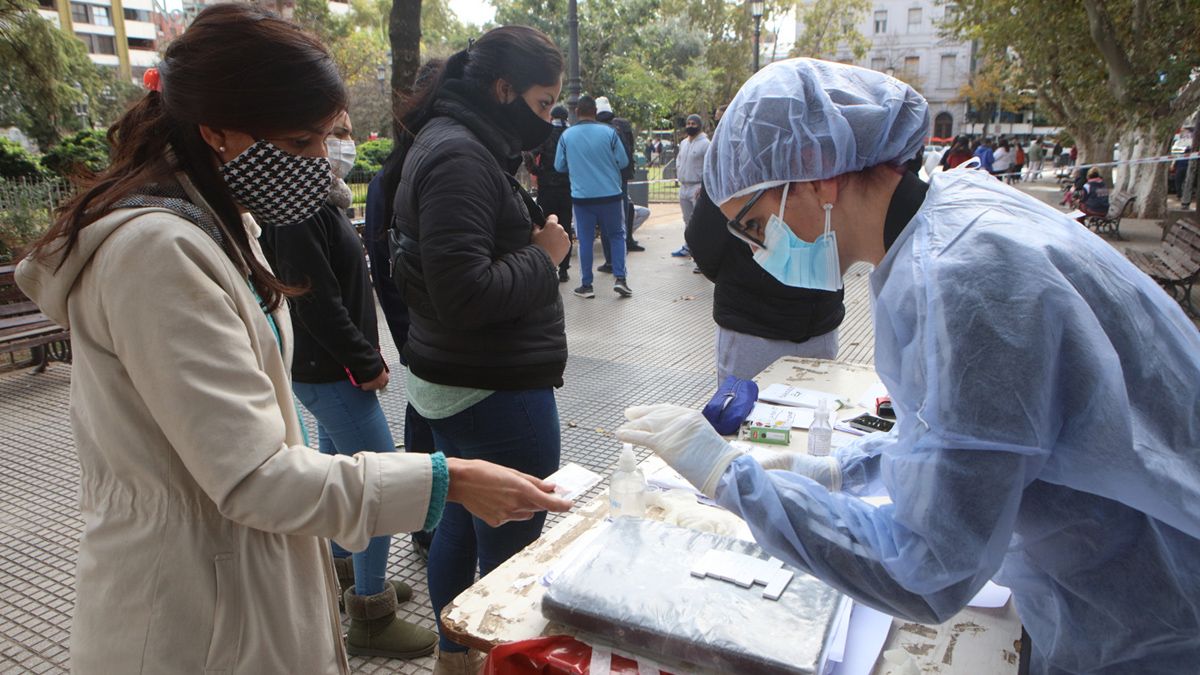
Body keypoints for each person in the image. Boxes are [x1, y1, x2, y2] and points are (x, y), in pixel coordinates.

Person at [13, 7, 571, 673]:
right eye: (302, 142)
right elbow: (256, 477)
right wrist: (448, 479)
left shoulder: (216, 219)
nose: (319, 161)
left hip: (239, 577)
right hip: (190, 613)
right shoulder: (155, 253)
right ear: (216, 131)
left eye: (325, 139)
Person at [617, 57, 1200, 675]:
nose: (761, 253)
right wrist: (841, 470)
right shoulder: (949, 218)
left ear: (817, 177)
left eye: (757, 225)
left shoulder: (966, 279)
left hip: (1150, 617)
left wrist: (729, 476)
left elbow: (926, 569)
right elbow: (964, 435)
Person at [387, 26, 572, 674]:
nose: (548, 119)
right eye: (544, 104)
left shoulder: (455, 142)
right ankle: (490, 656)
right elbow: (465, 292)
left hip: (458, 378)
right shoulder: (461, 155)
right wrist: (545, 258)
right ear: (502, 89)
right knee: (511, 553)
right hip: (491, 390)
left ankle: (456, 654)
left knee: (462, 520)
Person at [258, 109, 436, 659]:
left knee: (341, 470)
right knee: (378, 487)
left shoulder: (321, 196)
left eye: (343, 132)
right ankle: (370, 612)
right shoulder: (293, 208)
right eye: (325, 134)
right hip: (329, 369)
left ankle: (344, 572)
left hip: (329, 368)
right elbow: (314, 298)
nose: (339, 144)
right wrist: (364, 362)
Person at [365, 59, 445, 566]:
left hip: (426, 332)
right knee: (424, 423)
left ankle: (430, 524)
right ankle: (427, 523)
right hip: (424, 331)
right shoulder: (396, 176)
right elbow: (383, 262)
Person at [686, 183, 843, 382]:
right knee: (746, 408)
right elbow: (704, 241)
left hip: (816, 325)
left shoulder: (838, 161)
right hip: (753, 329)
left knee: (815, 408)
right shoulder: (734, 162)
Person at [556, 95, 633, 298]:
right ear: (595, 112)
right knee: (617, 235)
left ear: (577, 112)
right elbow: (623, 162)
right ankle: (620, 279)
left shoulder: (566, 136)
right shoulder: (609, 133)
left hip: (582, 199)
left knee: (585, 240)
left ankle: (586, 285)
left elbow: (559, 166)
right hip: (611, 195)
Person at [596, 96, 645, 258]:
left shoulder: (598, 128)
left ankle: (611, 259)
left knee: (605, 221)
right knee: (621, 216)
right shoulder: (622, 126)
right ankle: (622, 252)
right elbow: (627, 155)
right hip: (621, 179)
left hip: (603, 180)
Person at [532, 104, 575, 282]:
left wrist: (537, 170)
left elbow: (529, 154)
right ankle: (564, 269)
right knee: (565, 226)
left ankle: (547, 265)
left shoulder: (545, 133)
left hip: (547, 187)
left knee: (545, 224)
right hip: (568, 187)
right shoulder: (572, 135)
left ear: (552, 116)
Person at [673, 113, 709, 258]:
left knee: (699, 222)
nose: (690, 126)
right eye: (688, 123)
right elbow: (679, 161)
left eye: (693, 124)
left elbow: (709, 166)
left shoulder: (706, 144)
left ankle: (702, 253)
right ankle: (688, 247)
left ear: (699, 125)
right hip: (684, 187)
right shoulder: (684, 143)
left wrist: (703, 186)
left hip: (697, 187)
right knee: (687, 219)